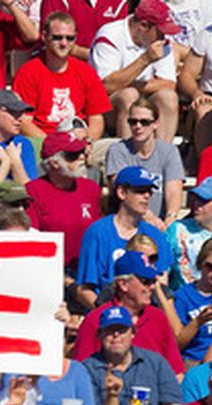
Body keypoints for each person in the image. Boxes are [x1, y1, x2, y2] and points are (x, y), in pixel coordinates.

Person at [80, 306, 181, 405]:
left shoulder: (155, 362)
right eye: (109, 331)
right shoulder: (87, 369)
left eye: (121, 330)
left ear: (133, 333)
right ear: (99, 335)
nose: (116, 335)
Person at [75, 166, 170, 310]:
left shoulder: (156, 235)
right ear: (122, 193)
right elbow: (84, 289)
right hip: (107, 313)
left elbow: (162, 286)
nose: (147, 196)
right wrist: (112, 317)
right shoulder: (97, 232)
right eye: (140, 191)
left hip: (146, 314)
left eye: (149, 191)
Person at [89, 0, 180, 143]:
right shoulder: (110, 36)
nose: (163, 37)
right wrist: (145, 60)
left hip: (143, 100)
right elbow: (105, 86)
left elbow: (169, 84)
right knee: (128, 95)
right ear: (143, 25)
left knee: (168, 98)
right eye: (160, 31)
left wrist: (129, 83)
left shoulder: (161, 42)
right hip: (108, 107)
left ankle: (162, 156)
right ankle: (127, 158)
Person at [12, 13, 110, 139]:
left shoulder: (86, 71)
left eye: (70, 38)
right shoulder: (29, 72)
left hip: (80, 140)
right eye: (57, 37)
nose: (64, 43)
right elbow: (24, 122)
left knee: (111, 150)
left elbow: (96, 119)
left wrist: (88, 141)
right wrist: (52, 144)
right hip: (42, 140)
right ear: (44, 37)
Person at [26, 132, 103, 274]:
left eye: (82, 152)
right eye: (72, 155)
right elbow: (31, 237)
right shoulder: (33, 191)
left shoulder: (91, 188)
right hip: (49, 270)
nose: (81, 158)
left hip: (88, 269)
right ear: (54, 163)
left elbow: (102, 231)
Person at [105, 98, 184, 229]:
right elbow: (122, 190)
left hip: (161, 222)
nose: (138, 126)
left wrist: (171, 218)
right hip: (128, 222)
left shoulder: (169, 151)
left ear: (156, 124)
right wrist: (150, 217)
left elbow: (174, 190)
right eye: (133, 121)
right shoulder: (117, 150)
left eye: (145, 122)